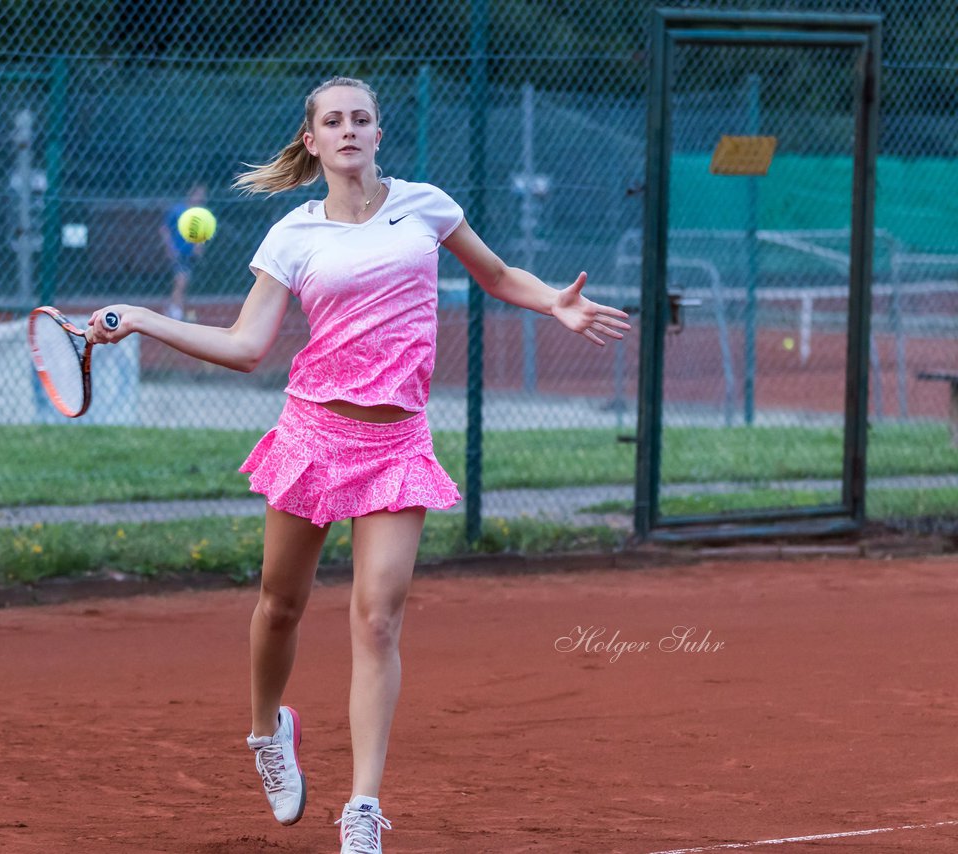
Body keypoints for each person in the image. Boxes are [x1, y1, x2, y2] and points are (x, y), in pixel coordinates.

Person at [88, 76, 629, 854]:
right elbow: (245, 347)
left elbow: (500, 276)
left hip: (397, 442)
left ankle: (363, 809)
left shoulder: (426, 207)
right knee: (280, 605)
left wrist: (555, 303)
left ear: (379, 134)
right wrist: (142, 319)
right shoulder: (292, 236)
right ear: (312, 141)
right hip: (312, 435)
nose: (349, 130)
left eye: (361, 119)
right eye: (333, 121)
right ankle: (267, 732)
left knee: (378, 619)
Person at [159, 183, 208, 320]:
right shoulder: (177, 210)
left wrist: (200, 246)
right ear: (191, 194)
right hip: (178, 252)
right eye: (198, 194)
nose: (201, 197)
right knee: (181, 280)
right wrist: (169, 247)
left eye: (203, 195)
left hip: (190, 254)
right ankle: (175, 311)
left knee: (185, 282)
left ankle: (175, 308)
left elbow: (201, 234)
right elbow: (165, 229)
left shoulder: (201, 213)